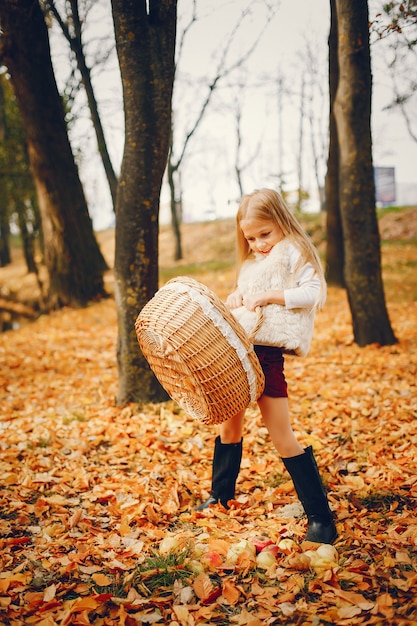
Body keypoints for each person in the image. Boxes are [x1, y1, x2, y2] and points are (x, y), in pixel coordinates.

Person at [195, 188, 337, 545]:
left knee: (282, 435)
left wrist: (270, 296)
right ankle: (220, 495)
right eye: (251, 238)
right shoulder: (251, 263)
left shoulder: (294, 251)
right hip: (237, 353)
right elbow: (243, 299)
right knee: (229, 427)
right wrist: (237, 297)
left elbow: (313, 293)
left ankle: (320, 518)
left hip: (267, 355)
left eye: (265, 234)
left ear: (281, 223)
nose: (258, 244)